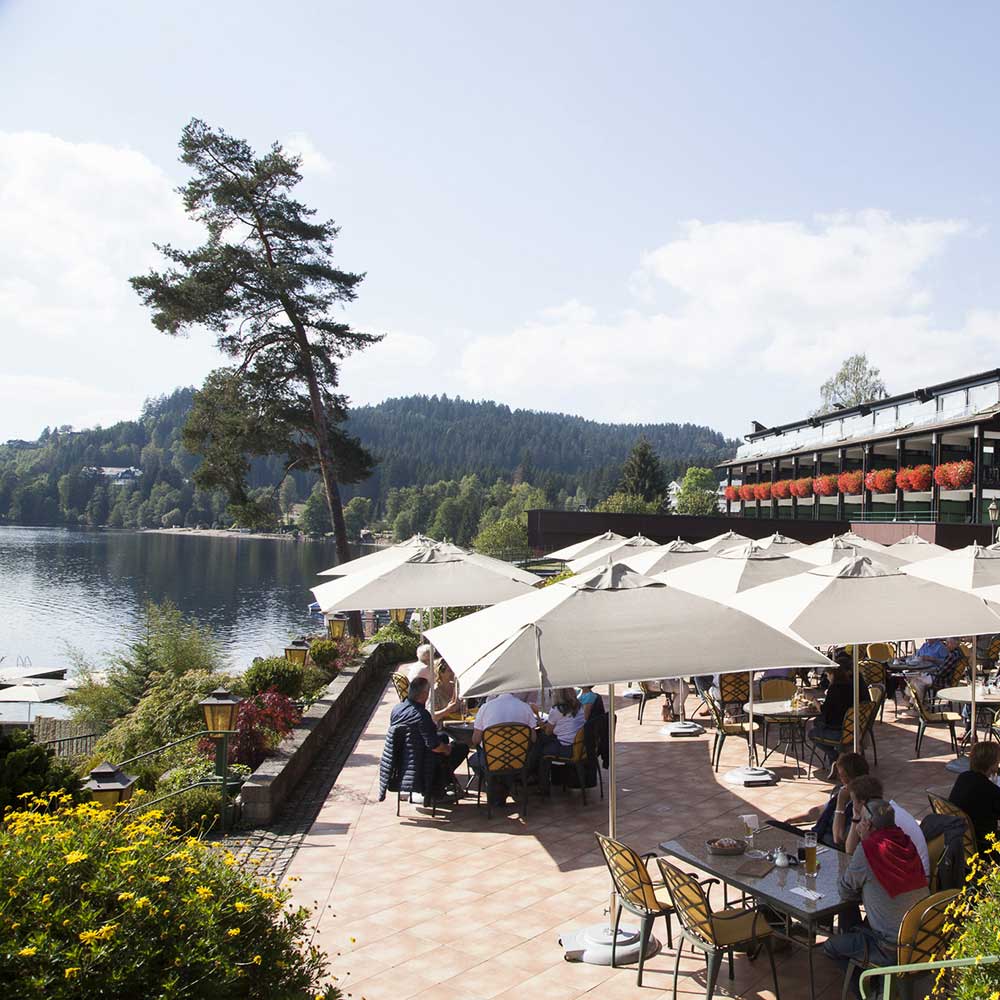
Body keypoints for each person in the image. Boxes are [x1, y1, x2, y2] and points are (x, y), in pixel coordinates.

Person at [824, 799, 929, 998]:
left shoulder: (869, 849)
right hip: (922, 938)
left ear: (868, 825)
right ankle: (880, 985)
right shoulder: (905, 842)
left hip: (891, 946)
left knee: (832, 947)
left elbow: (846, 891)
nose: (858, 824)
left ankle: (868, 994)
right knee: (858, 924)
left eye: (860, 820)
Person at [388, 676, 468, 803]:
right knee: (460, 748)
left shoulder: (397, 710)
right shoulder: (421, 715)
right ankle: (437, 788)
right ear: (424, 694)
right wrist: (447, 749)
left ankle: (443, 785)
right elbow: (434, 746)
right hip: (422, 763)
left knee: (443, 738)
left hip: (402, 759)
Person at [841, 775, 930, 877]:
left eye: (853, 801)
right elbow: (849, 851)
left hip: (915, 877)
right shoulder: (884, 810)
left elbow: (859, 856)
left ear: (862, 802)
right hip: (912, 873)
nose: (853, 805)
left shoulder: (881, 819)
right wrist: (856, 817)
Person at [469, 691, 538, 804]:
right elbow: (533, 738)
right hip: (518, 759)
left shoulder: (486, 708)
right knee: (505, 763)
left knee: (474, 760)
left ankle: (496, 786)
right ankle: (503, 786)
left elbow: (475, 740)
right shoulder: (525, 708)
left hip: (492, 760)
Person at [808, 662, 871, 774]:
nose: (827, 678)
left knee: (812, 732)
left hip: (839, 732)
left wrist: (814, 701)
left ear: (833, 674)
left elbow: (824, 710)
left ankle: (835, 758)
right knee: (818, 722)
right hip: (853, 729)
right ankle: (837, 760)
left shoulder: (834, 688)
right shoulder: (853, 686)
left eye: (828, 675)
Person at [949, 741, 1000, 854]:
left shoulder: (963, 777)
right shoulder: (989, 790)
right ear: (991, 763)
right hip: (983, 844)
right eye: (998, 760)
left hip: (959, 840)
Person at [534, 688, 586, 791]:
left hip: (567, 747)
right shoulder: (579, 706)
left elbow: (548, 732)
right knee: (543, 740)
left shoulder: (557, 710)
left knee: (540, 749)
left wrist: (540, 721)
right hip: (579, 744)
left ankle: (542, 787)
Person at [820, 752, 870, 849]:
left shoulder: (860, 803)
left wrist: (840, 803)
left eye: (842, 776)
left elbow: (838, 838)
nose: (839, 779)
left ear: (851, 777)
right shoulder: (843, 792)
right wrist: (794, 819)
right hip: (818, 836)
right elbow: (820, 810)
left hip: (829, 847)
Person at [908, 637, 962, 706]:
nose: (946, 645)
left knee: (917, 682)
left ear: (954, 644)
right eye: (947, 643)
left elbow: (941, 672)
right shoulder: (955, 653)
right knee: (914, 680)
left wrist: (930, 672)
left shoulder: (952, 655)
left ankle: (916, 705)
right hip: (939, 676)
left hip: (941, 680)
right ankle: (919, 704)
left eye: (948, 643)